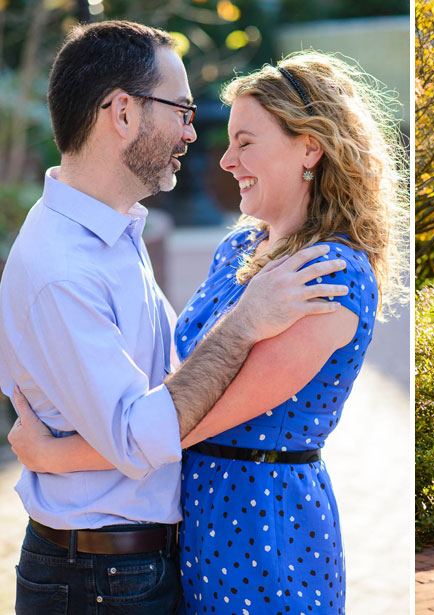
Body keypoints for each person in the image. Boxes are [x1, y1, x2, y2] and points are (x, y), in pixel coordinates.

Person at [10, 50, 406, 614]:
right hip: (197, 527)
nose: (225, 160)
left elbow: (200, 422)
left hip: (265, 531)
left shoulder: (331, 275)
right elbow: (182, 378)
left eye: (246, 142)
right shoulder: (239, 249)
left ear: (310, 147)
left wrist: (57, 457)